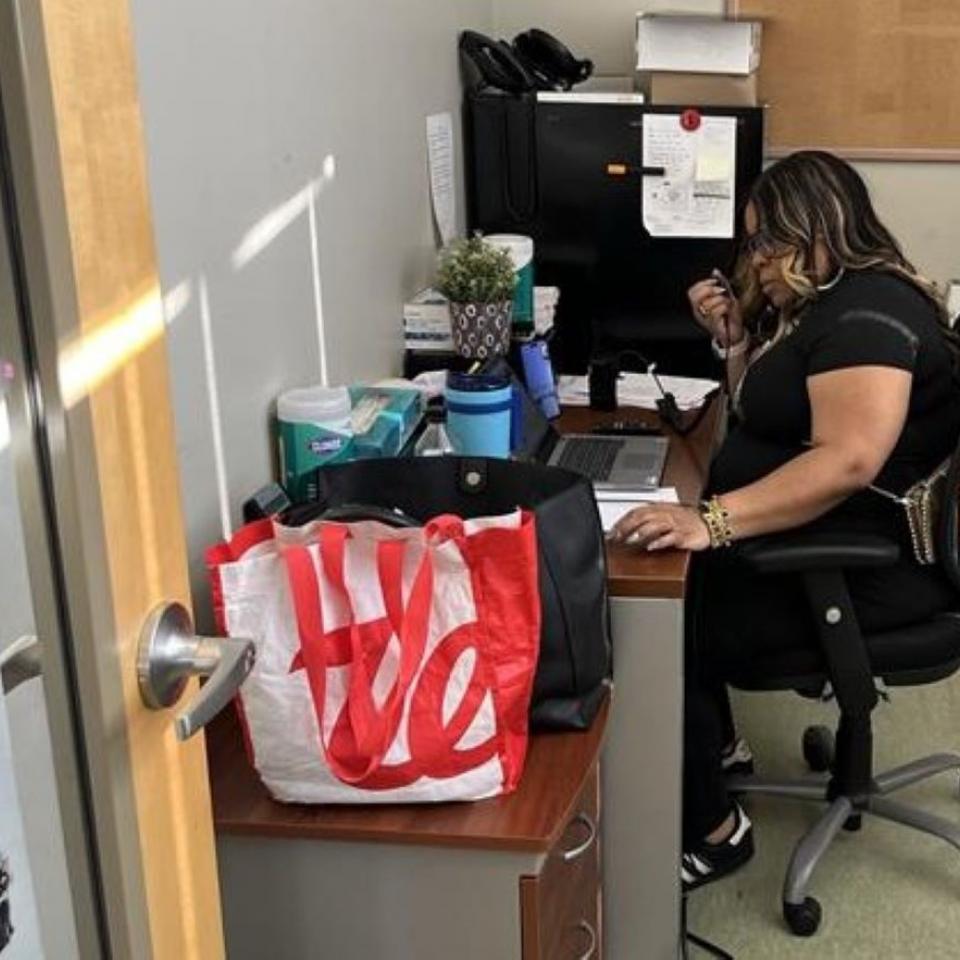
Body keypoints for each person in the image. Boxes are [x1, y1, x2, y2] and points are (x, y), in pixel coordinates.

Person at [609, 151, 960, 891]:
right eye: (753, 243)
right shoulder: (832, 305)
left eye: (769, 241)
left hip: (868, 571)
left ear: (819, 226)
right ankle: (719, 751)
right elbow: (765, 426)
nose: (756, 260)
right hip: (834, 540)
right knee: (668, 574)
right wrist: (738, 345)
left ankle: (714, 828)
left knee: (653, 611)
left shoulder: (869, 315)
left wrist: (714, 521)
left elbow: (848, 462)